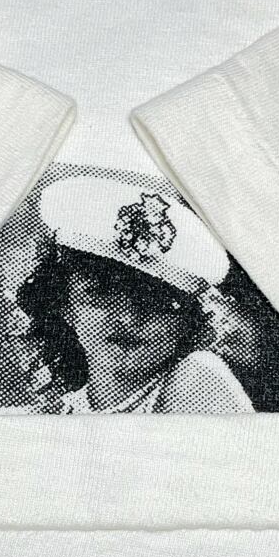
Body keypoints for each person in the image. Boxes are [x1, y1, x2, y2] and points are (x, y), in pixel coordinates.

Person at [14, 177, 255, 414]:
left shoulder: (197, 379)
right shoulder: (52, 414)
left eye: (158, 302)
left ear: (188, 323)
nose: (129, 318)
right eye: (102, 292)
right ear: (63, 302)